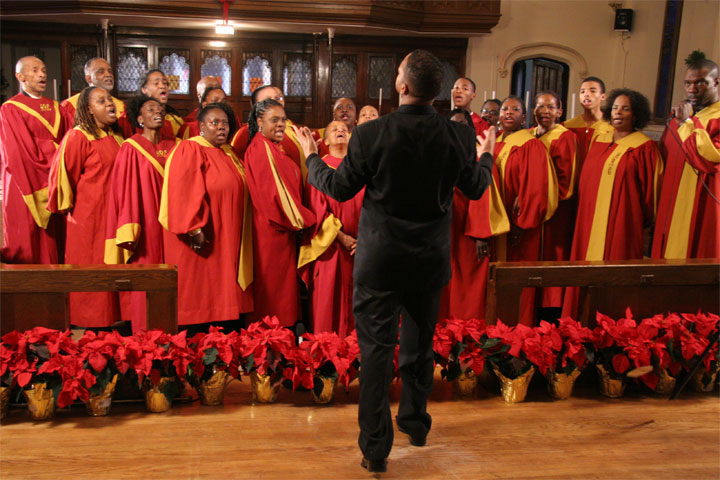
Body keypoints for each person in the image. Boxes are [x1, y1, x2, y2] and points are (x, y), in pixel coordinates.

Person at [293, 49, 495, 473]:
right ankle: (416, 424)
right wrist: (488, 154)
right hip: (427, 261)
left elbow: (339, 187)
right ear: (437, 92)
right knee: (419, 346)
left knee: (376, 352)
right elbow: (475, 188)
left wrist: (310, 156)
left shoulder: (371, 134)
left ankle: (375, 448)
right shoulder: (457, 135)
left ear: (402, 86)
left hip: (381, 260)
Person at [562, 89, 663, 318]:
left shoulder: (643, 147)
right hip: (588, 224)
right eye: (616, 107)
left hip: (622, 225)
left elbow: (650, 194)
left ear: (636, 115)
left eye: (625, 108)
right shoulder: (600, 140)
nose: (618, 112)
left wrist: (635, 221)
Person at [158, 102, 253, 327]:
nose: (222, 128)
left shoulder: (228, 153)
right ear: (201, 126)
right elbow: (182, 190)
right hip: (202, 236)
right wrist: (194, 229)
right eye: (215, 122)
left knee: (222, 289)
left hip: (226, 233)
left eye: (226, 123)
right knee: (200, 289)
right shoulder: (190, 148)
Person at [47, 86, 123, 327]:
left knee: (113, 270)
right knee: (92, 269)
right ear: (89, 110)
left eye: (110, 99)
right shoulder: (78, 136)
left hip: (114, 217)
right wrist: (75, 213)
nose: (110, 104)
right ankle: (88, 323)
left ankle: (113, 320)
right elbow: (62, 176)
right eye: (102, 101)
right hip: (89, 219)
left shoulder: (116, 136)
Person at [105, 95, 179, 332]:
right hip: (146, 222)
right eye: (150, 109)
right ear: (139, 118)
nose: (158, 112)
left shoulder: (176, 145)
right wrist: (130, 226)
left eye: (160, 108)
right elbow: (124, 190)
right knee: (147, 272)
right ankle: (145, 337)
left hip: (174, 223)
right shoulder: (131, 148)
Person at [243, 99, 315, 327]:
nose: (281, 124)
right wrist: (306, 220)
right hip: (272, 231)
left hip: (281, 230)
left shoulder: (273, 146)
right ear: (259, 122)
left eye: (283, 119)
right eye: (274, 120)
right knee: (273, 293)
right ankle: (270, 344)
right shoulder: (260, 147)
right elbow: (273, 196)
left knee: (281, 291)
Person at [493, 95, 559, 325]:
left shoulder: (531, 145)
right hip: (495, 227)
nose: (508, 112)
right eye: (504, 109)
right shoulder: (494, 142)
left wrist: (521, 222)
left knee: (519, 280)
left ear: (523, 116)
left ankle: (520, 329)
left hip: (519, 227)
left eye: (515, 109)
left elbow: (535, 187)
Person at [0, 56, 72, 264]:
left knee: (58, 239)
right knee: (28, 238)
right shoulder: (10, 109)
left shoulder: (59, 108)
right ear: (20, 76)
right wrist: (58, 155)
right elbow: (17, 152)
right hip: (24, 185)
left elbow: (70, 144)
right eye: (34, 70)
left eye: (43, 70)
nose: (42, 75)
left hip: (56, 184)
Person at [441, 109, 509, 321]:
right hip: (445, 228)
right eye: (454, 124)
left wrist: (480, 234)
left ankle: (468, 332)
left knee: (468, 283)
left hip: (469, 228)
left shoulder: (479, 153)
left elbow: (484, 191)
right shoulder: (441, 152)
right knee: (446, 282)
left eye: (463, 124)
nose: (458, 128)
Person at [299, 120, 363, 336]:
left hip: (362, 248)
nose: (340, 131)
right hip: (331, 248)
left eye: (344, 130)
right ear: (324, 140)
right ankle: (327, 359)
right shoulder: (319, 168)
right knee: (328, 302)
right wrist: (342, 237)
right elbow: (317, 211)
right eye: (334, 129)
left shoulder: (361, 168)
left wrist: (364, 238)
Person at [652, 57, 719, 259]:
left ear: (716, 83)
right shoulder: (678, 119)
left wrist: (686, 123)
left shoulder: (713, 119)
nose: (692, 89)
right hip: (670, 207)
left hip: (703, 206)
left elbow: (708, 159)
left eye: (700, 82)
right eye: (688, 83)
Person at [530, 91, 577, 312]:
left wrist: (539, 201)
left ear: (559, 111)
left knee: (551, 254)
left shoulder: (565, 137)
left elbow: (565, 180)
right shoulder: (528, 135)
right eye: (540, 106)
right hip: (528, 210)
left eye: (550, 107)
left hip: (554, 210)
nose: (544, 111)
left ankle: (549, 306)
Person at [230, 84, 307, 178]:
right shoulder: (246, 132)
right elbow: (238, 165)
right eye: (269, 100)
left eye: (278, 98)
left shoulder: (290, 127)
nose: (276, 102)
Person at [563, 76, 613, 170]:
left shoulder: (612, 128)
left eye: (592, 91)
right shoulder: (567, 126)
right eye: (582, 92)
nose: (586, 94)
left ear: (603, 96)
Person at [118, 69, 183, 139]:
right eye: (156, 83)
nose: (162, 86)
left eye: (165, 83)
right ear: (144, 90)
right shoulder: (130, 118)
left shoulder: (175, 120)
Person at [60, 57, 125, 119]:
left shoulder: (121, 106)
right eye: (101, 72)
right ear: (89, 79)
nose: (108, 75)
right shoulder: (70, 105)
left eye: (110, 71)